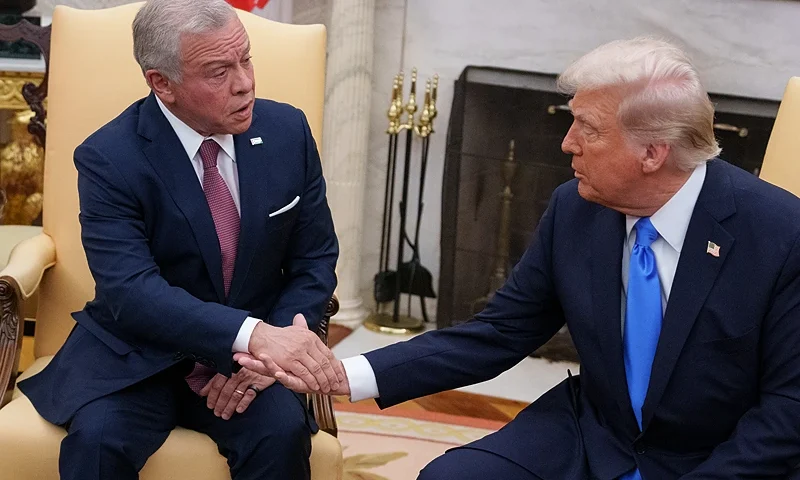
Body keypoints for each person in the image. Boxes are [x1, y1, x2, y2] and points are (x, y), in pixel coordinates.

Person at [239, 37, 800, 479]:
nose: (567, 143)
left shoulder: (780, 236)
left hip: (718, 456)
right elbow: (497, 333)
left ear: (652, 153)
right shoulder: (576, 210)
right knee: (449, 477)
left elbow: (787, 413)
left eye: (589, 128)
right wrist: (342, 373)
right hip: (595, 433)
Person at [18, 0, 343, 479]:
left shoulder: (287, 131)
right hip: (135, 358)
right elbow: (131, 293)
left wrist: (272, 348)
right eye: (218, 71)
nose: (245, 82)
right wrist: (256, 337)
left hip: (248, 364)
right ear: (161, 83)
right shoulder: (109, 158)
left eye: (246, 59)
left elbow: (314, 258)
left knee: (281, 436)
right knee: (99, 442)